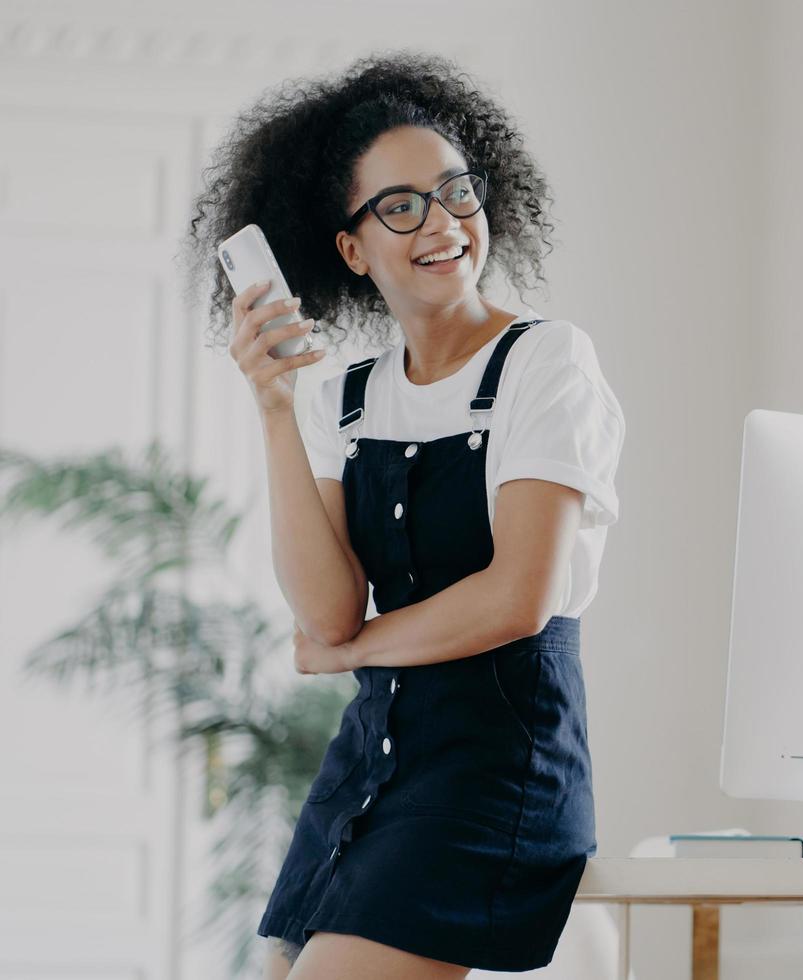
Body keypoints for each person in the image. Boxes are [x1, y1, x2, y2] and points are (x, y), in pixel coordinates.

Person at [179, 51, 625, 978]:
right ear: (353, 248)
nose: (444, 223)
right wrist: (273, 409)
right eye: (402, 205)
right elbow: (325, 613)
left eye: (457, 192)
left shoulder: (546, 363)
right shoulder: (347, 397)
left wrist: (348, 654)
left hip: (499, 772)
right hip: (372, 768)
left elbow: (517, 600)